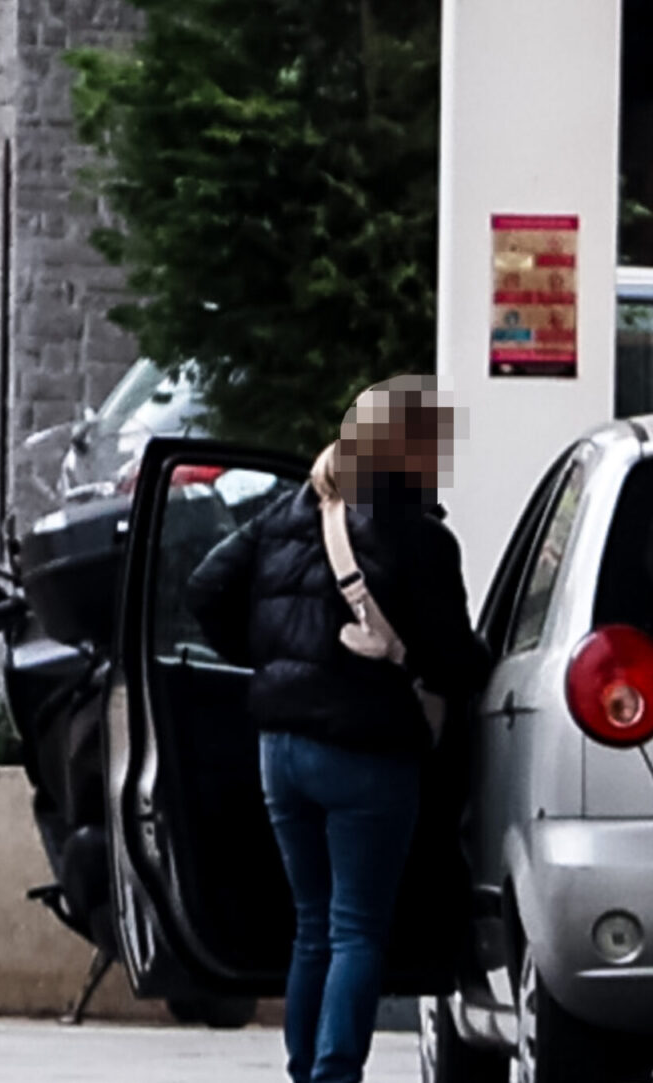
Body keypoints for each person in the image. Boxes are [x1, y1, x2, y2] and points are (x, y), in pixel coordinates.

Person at [184, 377, 492, 1083]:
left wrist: (272, 659)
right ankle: (334, 1074)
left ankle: (307, 1072)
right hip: (366, 751)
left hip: (280, 750)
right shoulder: (419, 537)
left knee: (313, 925)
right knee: (358, 928)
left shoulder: (285, 515)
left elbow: (204, 586)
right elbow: (453, 658)